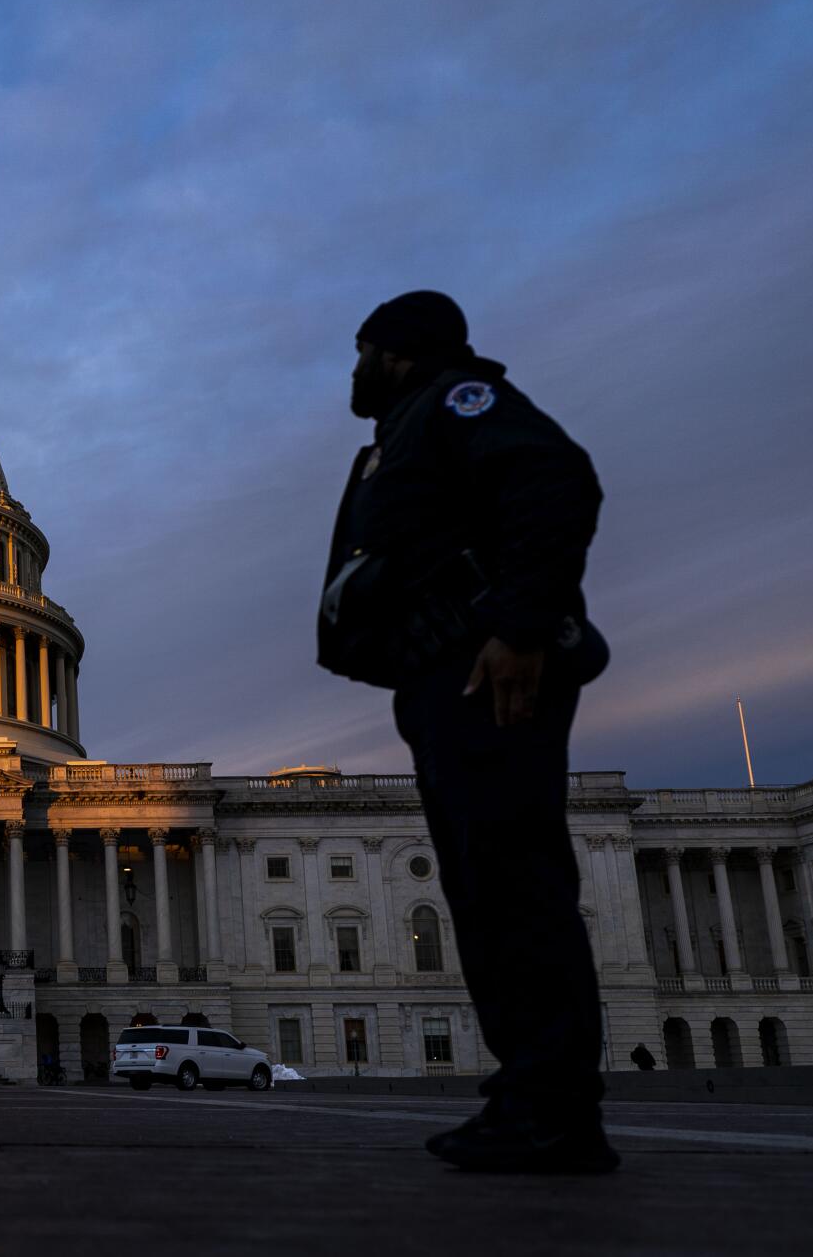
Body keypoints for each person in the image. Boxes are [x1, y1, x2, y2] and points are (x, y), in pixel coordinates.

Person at [317, 292, 616, 1174]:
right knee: (487, 887)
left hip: (493, 676)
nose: (354, 369)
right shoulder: (404, 428)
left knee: (514, 884)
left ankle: (553, 1107)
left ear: (400, 354)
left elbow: (558, 482)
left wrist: (521, 625)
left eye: (363, 350)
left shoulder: (459, 403)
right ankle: (531, 1098)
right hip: (445, 676)